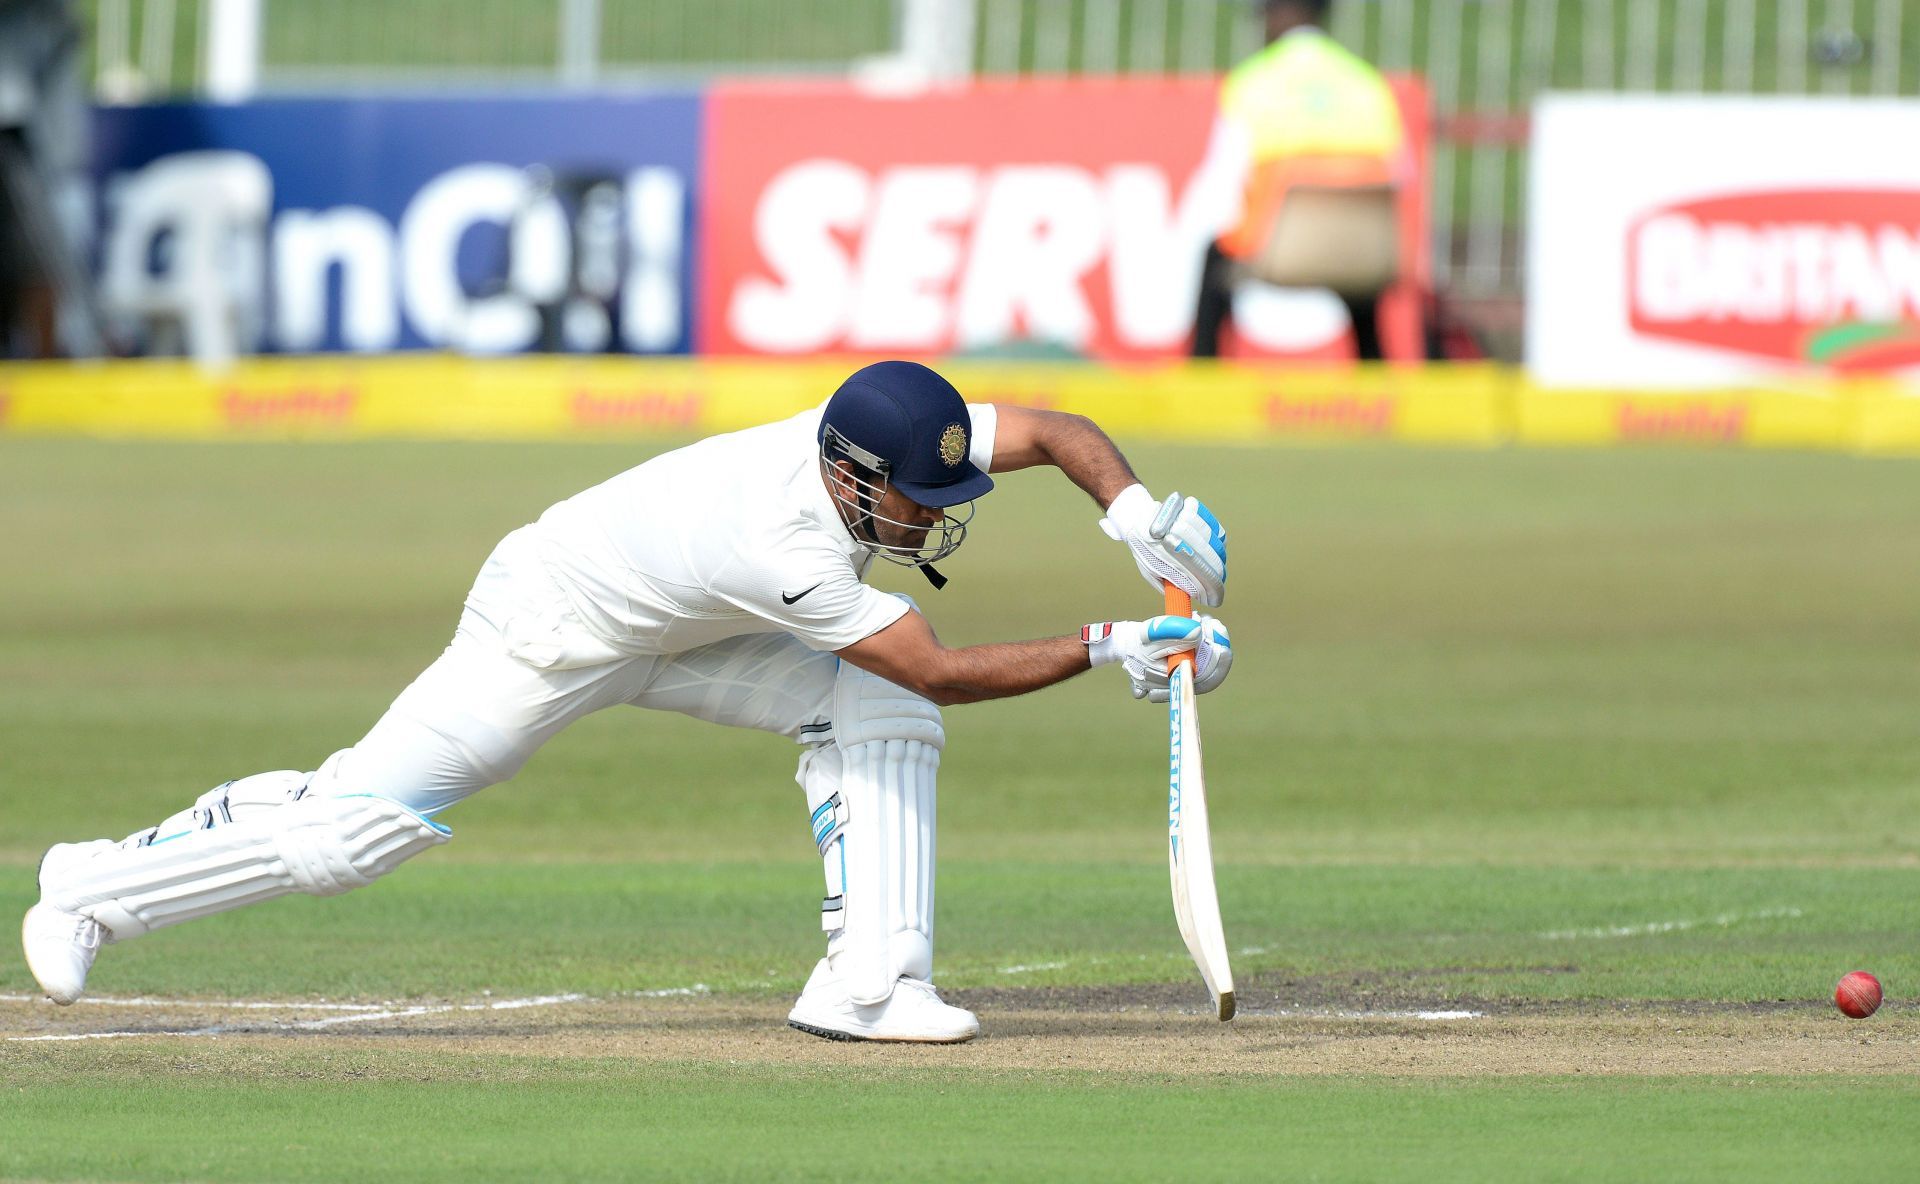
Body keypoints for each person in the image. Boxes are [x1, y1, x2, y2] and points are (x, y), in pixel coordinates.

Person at [21, 361, 1232, 1044]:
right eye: (914, 497)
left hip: (689, 626)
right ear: (849, 474)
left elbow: (1064, 427)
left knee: (876, 716)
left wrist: (1136, 520)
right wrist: (1117, 640)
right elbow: (939, 666)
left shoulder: (879, 433)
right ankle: (89, 886)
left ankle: (870, 982)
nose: (932, 512)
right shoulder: (788, 540)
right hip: (548, 630)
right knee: (352, 832)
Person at [1189, 0, 1409, 361]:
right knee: (1361, 292)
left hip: (1279, 250)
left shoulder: (1252, 83)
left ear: (1282, 13)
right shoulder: (1367, 83)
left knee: (1214, 258)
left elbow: (1221, 183)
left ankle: (1200, 376)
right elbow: (1402, 176)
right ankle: (1375, 377)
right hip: (1361, 254)